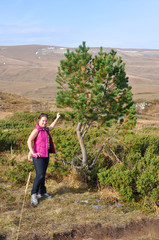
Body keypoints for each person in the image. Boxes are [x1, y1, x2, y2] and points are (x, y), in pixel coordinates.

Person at [27, 112, 60, 206]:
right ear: (39, 120)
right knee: (40, 175)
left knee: (43, 174)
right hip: (38, 156)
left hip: (45, 155)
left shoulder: (45, 129)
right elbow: (29, 140)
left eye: (46, 121)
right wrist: (32, 152)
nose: (44, 122)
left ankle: (42, 192)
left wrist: (57, 118)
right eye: (43, 121)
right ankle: (34, 194)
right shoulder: (36, 130)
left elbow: (52, 126)